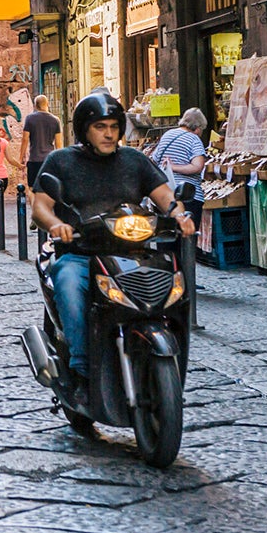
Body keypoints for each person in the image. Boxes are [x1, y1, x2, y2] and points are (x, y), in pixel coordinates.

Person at [30, 91, 195, 394]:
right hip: (81, 253)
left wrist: (179, 215)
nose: (108, 134)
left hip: (133, 253)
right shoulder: (62, 161)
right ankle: (80, 370)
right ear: (85, 130)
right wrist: (57, 225)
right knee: (68, 284)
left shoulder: (135, 161)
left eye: (114, 127)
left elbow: (164, 195)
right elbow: (41, 205)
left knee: (173, 283)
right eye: (100, 127)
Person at [150, 108, 209, 226]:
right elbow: (197, 166)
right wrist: (174, 167)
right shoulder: (194, 139)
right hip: (188, 195)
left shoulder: (167, 134)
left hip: (163, 195)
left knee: (167, 235)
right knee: (186, 237)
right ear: (197, 128)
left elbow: (154, 160)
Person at [21, 94, 63, 194]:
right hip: (49, 160)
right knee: (48, 189)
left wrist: (21, 157)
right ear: (47, 104)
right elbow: (58, 143)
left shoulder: (30, 119)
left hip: (34, 159)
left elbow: (25, 139)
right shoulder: (55, 120)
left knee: (32, 188)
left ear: (35, 105)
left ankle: (34, 208)